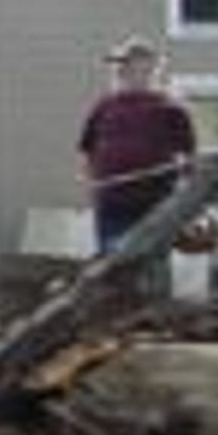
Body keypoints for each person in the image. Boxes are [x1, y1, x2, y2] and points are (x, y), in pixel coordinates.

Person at [78, 36, 195, 290]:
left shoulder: (169, 107)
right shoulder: (104, 106)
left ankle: (156, 317)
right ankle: (114, 322)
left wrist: (184, 196)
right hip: (112, 202)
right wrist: (93, 185)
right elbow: (87, 150)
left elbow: (189, 158)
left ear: (149, 67)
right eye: (119, 65)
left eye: (128, 63)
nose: (120, 70)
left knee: (152, 268)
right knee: (112, 267)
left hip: (155, 203)